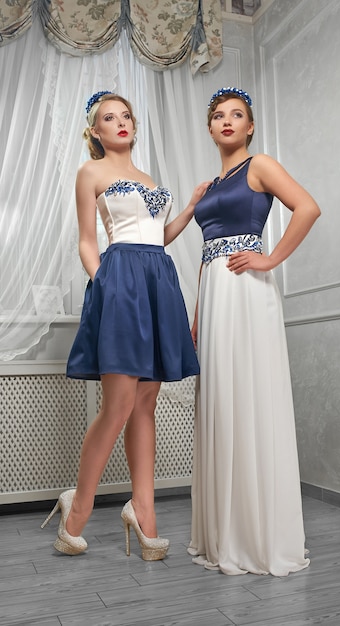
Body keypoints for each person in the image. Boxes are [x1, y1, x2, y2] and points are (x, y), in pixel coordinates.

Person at [41, 91, 209, 559]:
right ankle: (78, 512)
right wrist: (105, 284)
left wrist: (192, 206)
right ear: (95, 131)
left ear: (134, 125)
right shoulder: (90, 173)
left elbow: (158, 237)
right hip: (120, 284)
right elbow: (86, 241)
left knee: (146, 403)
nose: (120, 123)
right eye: (108, 118)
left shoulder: (146, 177)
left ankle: (144, 511)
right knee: (118, 405)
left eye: (125, 116)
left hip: (158, 279)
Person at [188, 87, 321, 576]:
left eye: (236, 115)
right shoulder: (210, 183)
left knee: (251, 399)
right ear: (209, 128)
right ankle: (225, 531)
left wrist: (269, 258)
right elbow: (205, 252)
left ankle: (259, 535)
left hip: (247, 292)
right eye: (218, 116)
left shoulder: (259, 165)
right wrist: (198, 314)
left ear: (249, 126)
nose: (226, 121)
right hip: (216, 297)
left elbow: (307, 207)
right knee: (222, 401)